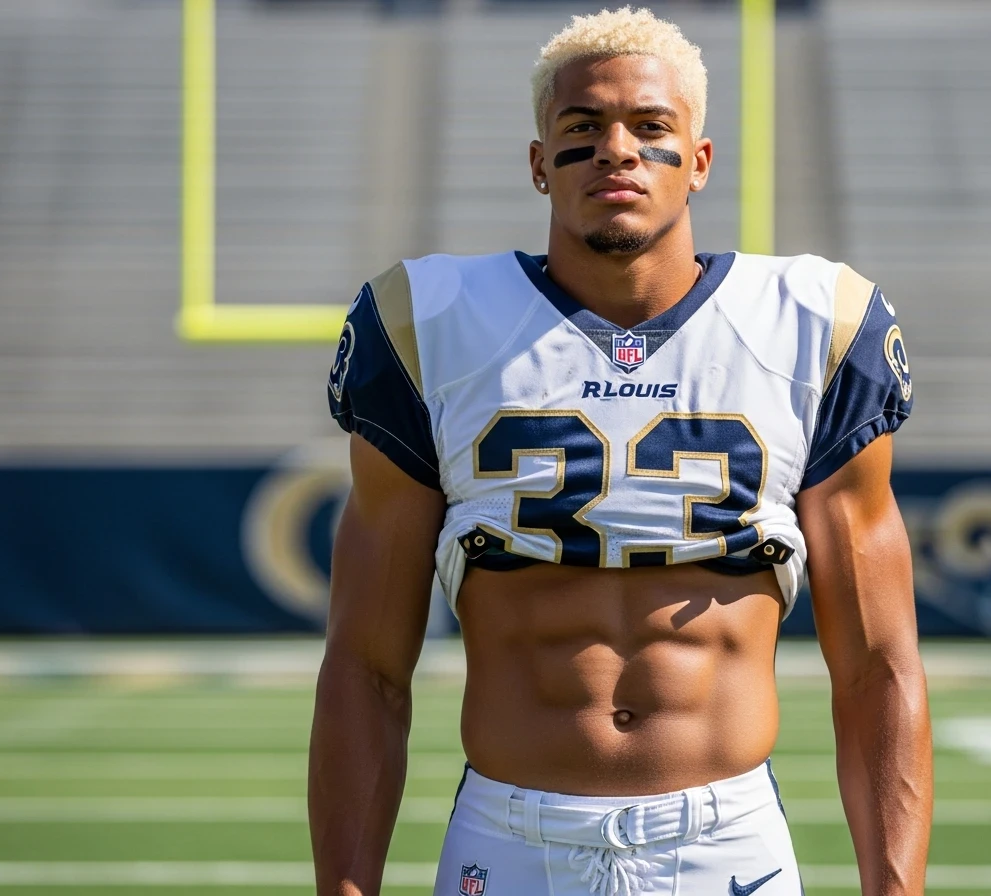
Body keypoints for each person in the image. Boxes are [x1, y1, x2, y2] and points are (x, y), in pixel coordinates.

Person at [309, 8, 931, 895]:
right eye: (582, 128)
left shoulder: (811, 325)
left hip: (727, 845)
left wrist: (896, 887)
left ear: (699, 162)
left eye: (650, 128)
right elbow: (366, 663)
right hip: (511, 837)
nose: (617, 150)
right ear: (538, 164)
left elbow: (879, 662)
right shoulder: (432, 324)